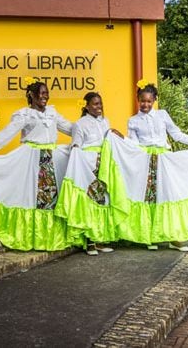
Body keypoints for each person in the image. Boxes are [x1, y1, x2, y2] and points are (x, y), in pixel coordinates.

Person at [0, 79, 82, 250]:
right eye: (41, 93)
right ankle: (32, 236)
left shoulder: (52, 113)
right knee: (30, 197)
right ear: (32, 96)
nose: (45, 96)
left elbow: (72, 129)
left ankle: (49, 237)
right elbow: (8, 133)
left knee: (51, 199)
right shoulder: (25, 114)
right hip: (31, 161)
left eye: (46, 93)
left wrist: (90, 127)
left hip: (51, 159)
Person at [125, 81, 188, 251]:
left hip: (164, 159)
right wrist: (121, 140)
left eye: (149, 101)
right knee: (149, 196)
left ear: (155, 100)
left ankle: (173, 237)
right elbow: (134, 145)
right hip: (145, 161)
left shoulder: (162, 115)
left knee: (169, 195)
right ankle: (150, 237)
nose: (145, 104)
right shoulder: (133, 121)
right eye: (142, 101)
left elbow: (176, 134)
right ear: (137, 99)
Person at [55, 92, 126, 255]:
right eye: (95, 104)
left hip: (103, 163)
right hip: (87, 165)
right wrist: (76, 153)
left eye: (100, 104)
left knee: (102, 201)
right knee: (89, 201)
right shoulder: (80, 124)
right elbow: (77, 144)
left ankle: (100, 238)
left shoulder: (105, 121)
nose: (99, 107)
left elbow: (107, 141)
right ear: (86, 106)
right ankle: (90, 242)